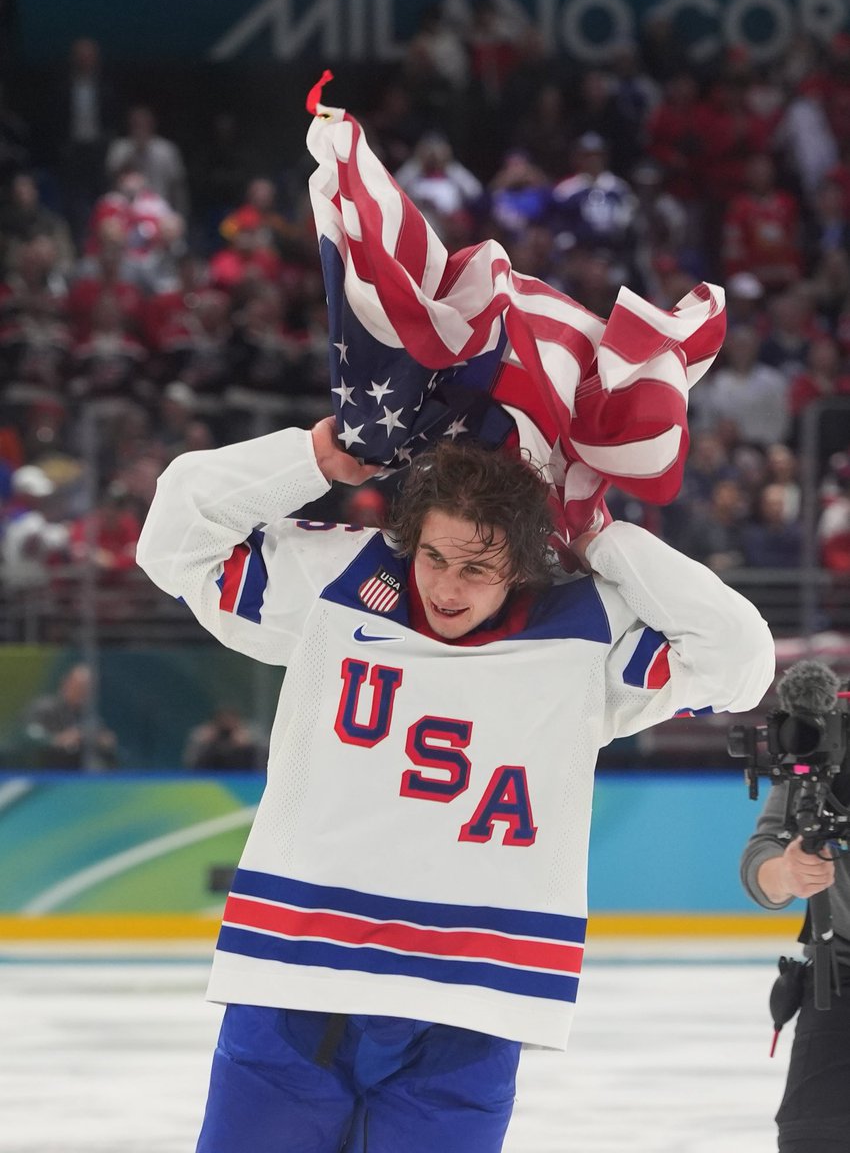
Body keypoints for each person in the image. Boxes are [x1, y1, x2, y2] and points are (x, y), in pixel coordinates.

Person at [136, 413, 775, 1153]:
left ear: (527, 565)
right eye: (434, 556)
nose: (446, 585)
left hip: (471, 1007)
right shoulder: (338, 580)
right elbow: (174, 537)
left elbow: (741, 661)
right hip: (295, 980)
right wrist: (315, 457)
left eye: (477, 569)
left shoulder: (587, 632)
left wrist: (602, 538)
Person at [740, 715, 850, 1153]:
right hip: (842, 979)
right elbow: (762, 853)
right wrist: (786, 873)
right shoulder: (829, 735)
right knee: (814, 1139)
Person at [18, 662, 117, 770]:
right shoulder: (43, 708)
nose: (82, 692)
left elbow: (105, 741)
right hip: (45, 771)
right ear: (66, 683)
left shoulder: (89, 715)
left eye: (87, 689)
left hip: (80, 773)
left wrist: (103, 741)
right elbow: (27, 735)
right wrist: (56, 740)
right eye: (79, 687)